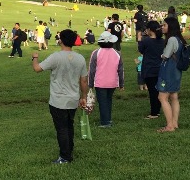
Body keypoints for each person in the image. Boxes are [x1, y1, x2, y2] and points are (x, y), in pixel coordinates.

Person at [32, 29, 88, 164]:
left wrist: (34, 58)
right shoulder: (80, 58)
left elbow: (37, 69)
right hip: (73, 98)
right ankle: (69, 149)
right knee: (69, 125)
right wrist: (83, 96)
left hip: (58, 100)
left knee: (62, 128)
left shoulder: (56, 57)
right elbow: (84, 80)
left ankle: (65, 156)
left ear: (61, 40)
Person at [88, 32, 124, 128]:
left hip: (100, 82)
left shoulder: (96, 53)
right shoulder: (117, 53)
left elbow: (92, 70)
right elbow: (120, 70)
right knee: (108, 100)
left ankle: (105, 122)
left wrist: (90, 84)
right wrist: (121, 84)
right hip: (112, 82)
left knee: (103, 101)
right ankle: (108, 119)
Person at [156, 17, 185, 133]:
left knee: (162, 97)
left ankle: (169, 126)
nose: (162, 27)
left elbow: (166, 55)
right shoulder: (179, 39)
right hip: (176, 71)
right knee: (174, 97)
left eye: (164, 25)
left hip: (168, 70)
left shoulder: (172, 39)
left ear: (170, 26)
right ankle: (174, 123)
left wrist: (161, 55)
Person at [138, 20, 164, 119]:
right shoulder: (162, 41)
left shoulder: (146, 41)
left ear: (149, 30)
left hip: (149, 69)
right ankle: (158, 110)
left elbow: (141, 50)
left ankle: (154, 113)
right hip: (160, 69)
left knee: (152, 92)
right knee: (159, 90)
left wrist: (140, 38)